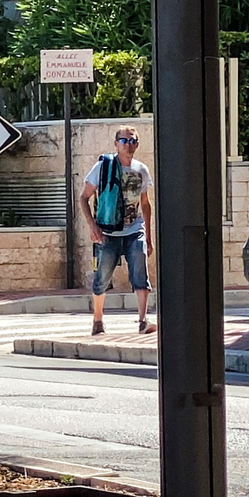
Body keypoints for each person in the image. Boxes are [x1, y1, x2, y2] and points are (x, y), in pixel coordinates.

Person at [80, 127, 152, 338]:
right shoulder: (102, 167)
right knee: (101, 277)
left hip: (134, 229)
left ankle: (142, 320)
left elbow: (145, 204)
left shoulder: (141, 170)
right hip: (107, 231)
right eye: (124, 140)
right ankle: (98, 320)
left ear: (137, 144)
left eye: (132, 141)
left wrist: (148, 235)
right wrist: (93, 226)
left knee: (141, 275)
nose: (128, 144)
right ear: (116, 143)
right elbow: (83, 197)